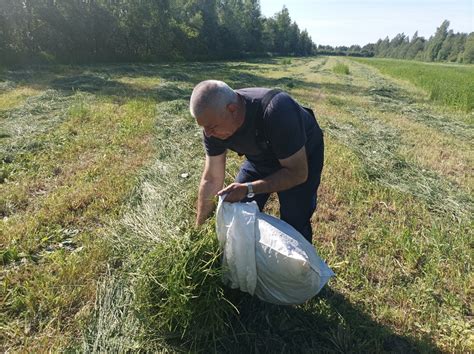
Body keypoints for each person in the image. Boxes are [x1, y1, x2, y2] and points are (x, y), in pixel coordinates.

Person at [190, 80, 324, 243]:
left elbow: (297, 174)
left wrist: (249, 188)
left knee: (294, 222)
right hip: (260, 159)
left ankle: (301, 267)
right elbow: (211, 178)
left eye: (211, 127)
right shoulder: (213, 126)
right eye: (204, 127)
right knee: (238, 211)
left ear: (232, 110)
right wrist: (198, 232)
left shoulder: (276, 110)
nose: (208, 134)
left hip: (300, 158)